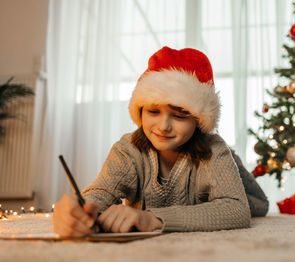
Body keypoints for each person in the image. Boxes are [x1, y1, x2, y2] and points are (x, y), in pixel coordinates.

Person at [53, 46, 268, 237]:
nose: (163, 126)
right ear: (140, 111)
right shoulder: (127, 151)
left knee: (258, 205)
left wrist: (153, 218)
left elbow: (237, 210)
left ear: (198, 120)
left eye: (180, 115)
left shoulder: (214, 150)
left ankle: (234, 164)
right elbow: (101, 192)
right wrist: (80, 210)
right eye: (154, 111)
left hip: (236, 181)